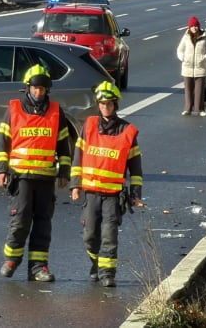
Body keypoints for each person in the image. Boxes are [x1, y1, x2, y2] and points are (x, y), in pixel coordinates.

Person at [0, 65, 72, 282]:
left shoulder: (56, 112)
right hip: (21, 176)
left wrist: (64, 171)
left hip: (46, 177)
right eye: (36, 88)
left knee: (43, 222)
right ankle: (12, 259)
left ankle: (39, 267)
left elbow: (63, 145)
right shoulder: (14, 110)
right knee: (20, 219)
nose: (39, 92)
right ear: (28, 87)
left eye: (43, 89)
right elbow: (3, 143)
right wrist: (1, 170)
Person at [70, 80, 143, 287]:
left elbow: (135, 169)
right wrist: (75, 185)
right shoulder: (89, 126)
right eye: (102, 104)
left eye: (109, 104)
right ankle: (97, 263)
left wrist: (136, 193)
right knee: (90, 236)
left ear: (115, 104)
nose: (105, 107)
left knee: (109, 236)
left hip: (113, 195)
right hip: (92, 193)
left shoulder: (128, 132)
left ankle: (107, 274)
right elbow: (78, 156)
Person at [176, 16, 206, 116]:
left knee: (199, 90)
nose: (194, 28)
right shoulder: (186, 37)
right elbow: (179, 50)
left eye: (196, 26)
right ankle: (187, 109)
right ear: (189, 27)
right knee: (188, 90)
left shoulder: (204, 37)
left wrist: (205, 58)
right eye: (192, 26)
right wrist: (183, 58)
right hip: (187, 68)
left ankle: (200, 109)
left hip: (200, 68)